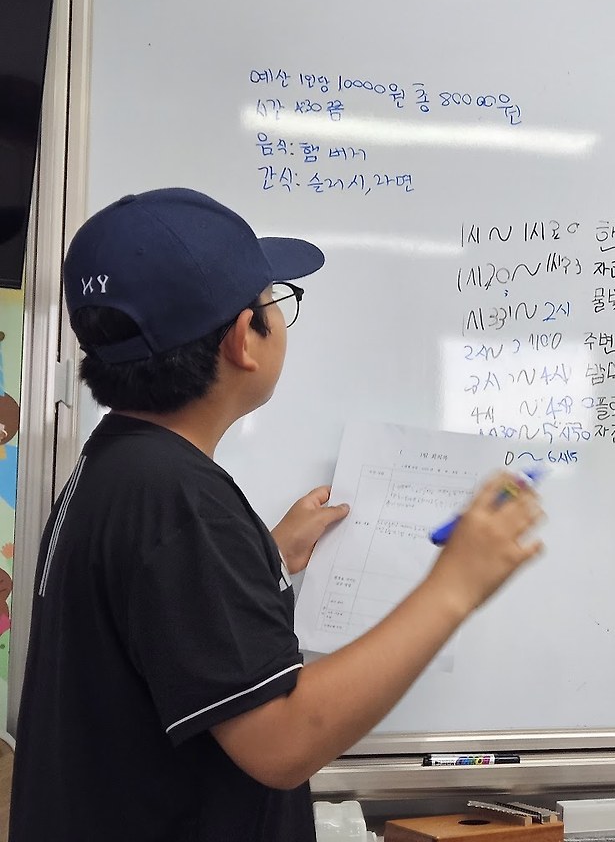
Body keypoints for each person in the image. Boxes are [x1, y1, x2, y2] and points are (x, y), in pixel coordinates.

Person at [10, 187, 545, 841]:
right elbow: (282, 741)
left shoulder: (117, 466)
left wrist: (265, 557)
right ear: (244, 339)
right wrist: (455, 585)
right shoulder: (180, 501)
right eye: (276, 300)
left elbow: (153, 626)